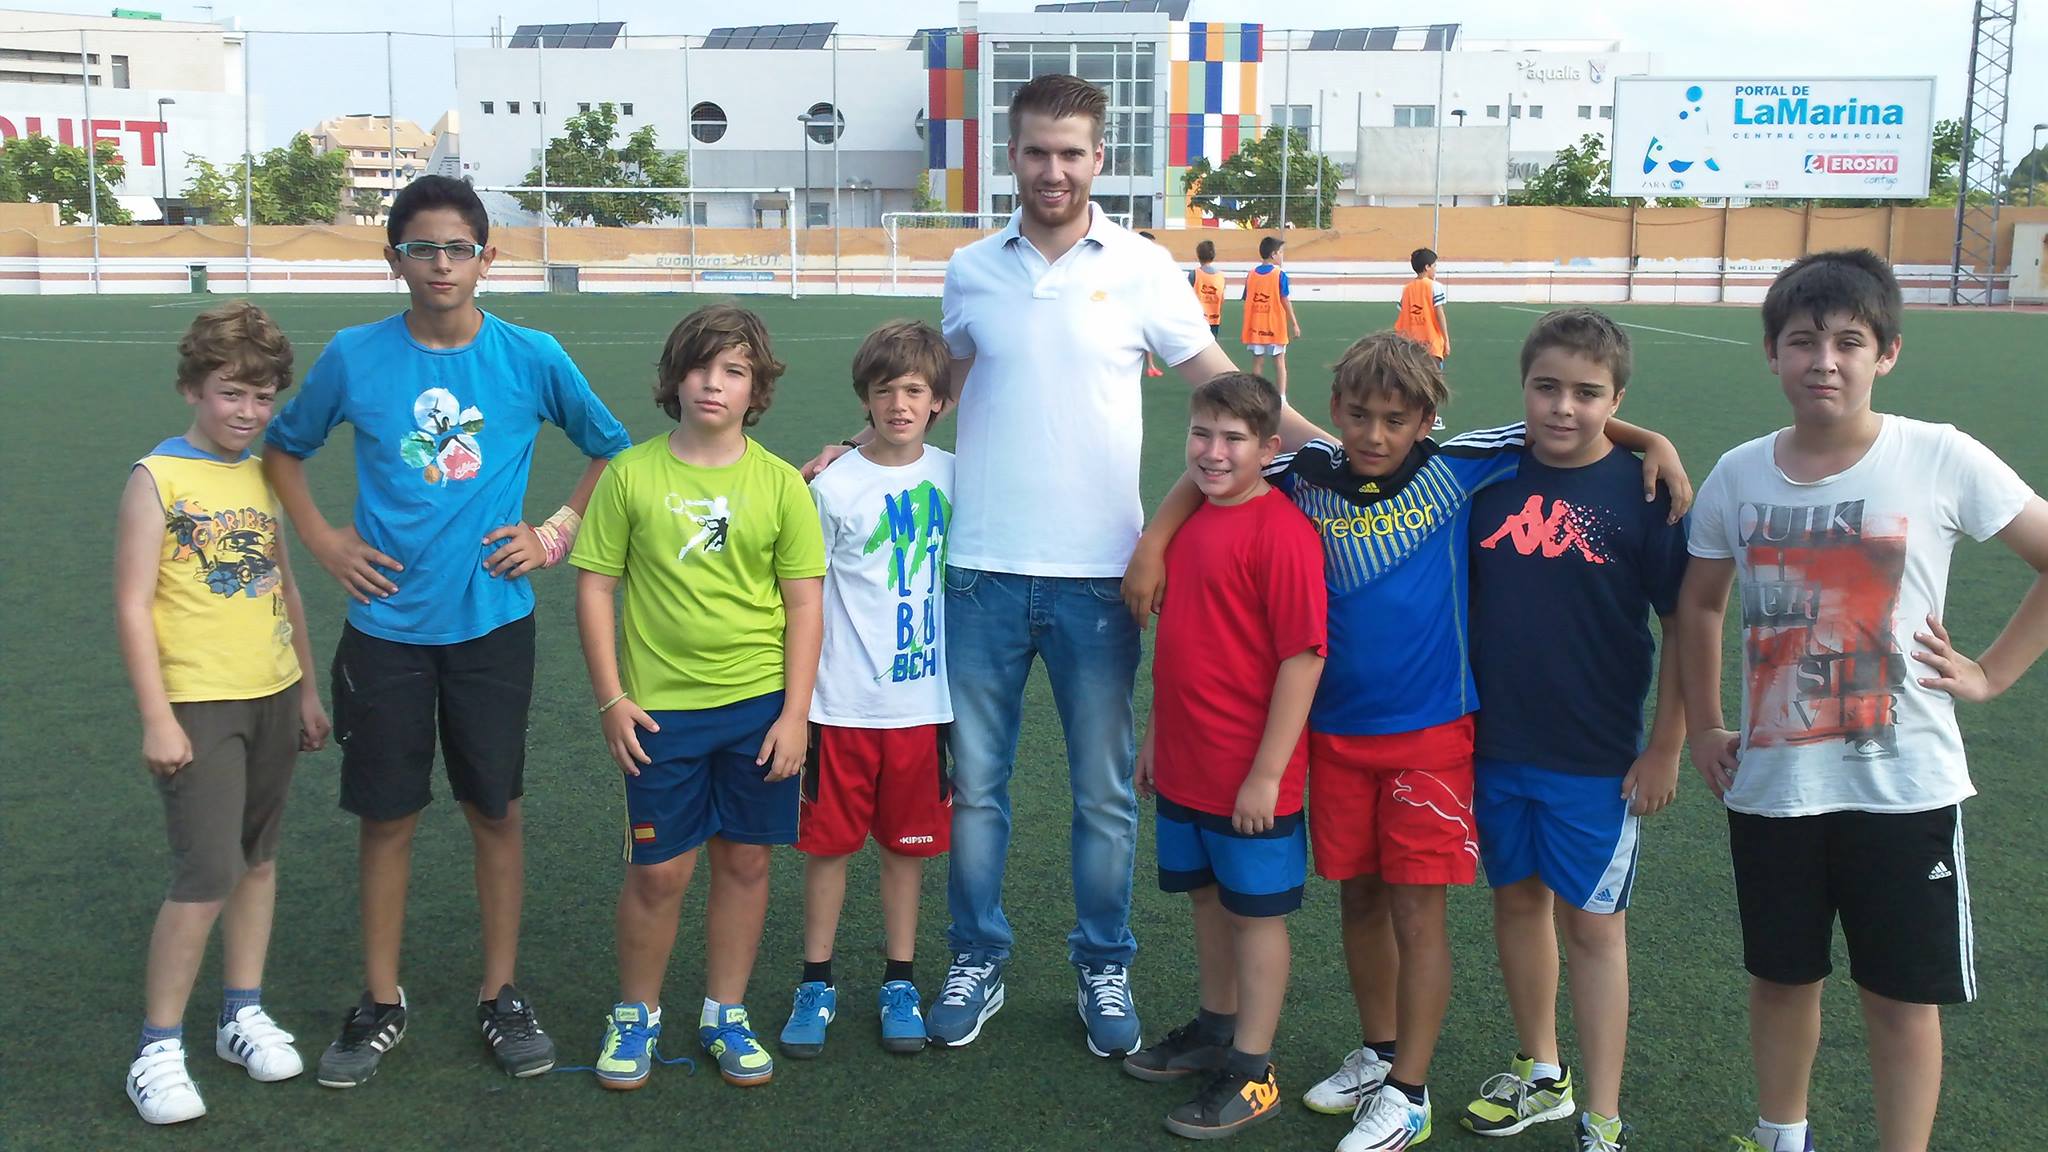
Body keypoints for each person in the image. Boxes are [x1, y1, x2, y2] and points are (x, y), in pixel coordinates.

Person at [800, 73, 1320, 1059]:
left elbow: (1225, 385)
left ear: (1099, 159)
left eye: (1071, 152)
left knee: (1104, 794)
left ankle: (1102, 963)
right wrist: (852, 448)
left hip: (1101, 580)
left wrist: (1331, 452)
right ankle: (977, 957)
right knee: (977, 790)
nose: (1053, 170)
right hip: (980, 573)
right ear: (1012, 154)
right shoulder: (971, 269)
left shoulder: (1143, 267)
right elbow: (936, 389)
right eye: (1036, 151)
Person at [1123, 334, 1689, 1152]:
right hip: (1334, 736)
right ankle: (1379, 1050)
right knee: (1359, 898)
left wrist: (1653, 439)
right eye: (1358, 415)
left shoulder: (1460, 464)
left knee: (1419, 911)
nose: (1374, 434)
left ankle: (1409, 1090)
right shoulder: (1307, 469)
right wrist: (1154, 543)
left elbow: (1567, 421)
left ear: (1427, 421)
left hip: (1431, 737)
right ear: (1335, 410)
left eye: (1395, 420)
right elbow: (1221, 465)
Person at [263, 174, 632, 1088]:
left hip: (492, 628)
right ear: (394, 259)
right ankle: (379, 998)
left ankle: (501, 993)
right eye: (421, 248)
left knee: (494, 809)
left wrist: (553, 533)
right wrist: (325, 540)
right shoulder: (355, 355)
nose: (440, 264)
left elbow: (611, 448)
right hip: (385, 629)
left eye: (457, 248)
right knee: (386, 816)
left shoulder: (531, 355)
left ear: (486, 258)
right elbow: (284, 448)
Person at [1677, 249, 2048, 1152]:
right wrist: (1706, 724)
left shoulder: (1939, 455)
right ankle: (1782, 1136)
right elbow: (1700, 604)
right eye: (1803, 341)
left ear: (1887, 353)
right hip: (1776, 787)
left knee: (1901, 998)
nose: (1825, 361)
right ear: (1772, 353)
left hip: (1904, 788)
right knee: (1781, 980)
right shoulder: (1738, 474)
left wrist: (1994, 673)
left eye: (1849, 342)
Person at [570, 303, 825, 1091]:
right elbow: (595, 587)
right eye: (700, 366)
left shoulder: (780, 484)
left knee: (745, 862)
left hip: (758, 710)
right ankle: (636, 1012)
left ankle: (726, 1012)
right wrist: (611, 699)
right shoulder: (630, 474)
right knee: (659, 873)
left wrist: (795, 715)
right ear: (674, 379)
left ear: (757, 389)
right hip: (660, 714)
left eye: (734, 370)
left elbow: (805, 603)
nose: (714, 383)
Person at [1459, 309, 1690, 1152]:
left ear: (1616, 400)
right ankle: (1542, 1073)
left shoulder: (1646, 493)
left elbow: (1685, 626)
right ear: (1522, 387)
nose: (1564, 407)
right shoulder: (1483, 473)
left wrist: (1666, 745)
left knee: (1593, 929)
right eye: (1546, 387)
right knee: (1516, 901)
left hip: (1597, 756)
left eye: (1588, 394)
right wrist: (1648, 431)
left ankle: (1603, 1115)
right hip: (1492, 745)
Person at [116, 302, 329, 1125]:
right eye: (230, 393)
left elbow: (286, 587)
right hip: (198, 704)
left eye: (262, 397)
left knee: (258, 861)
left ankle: (242, 1013)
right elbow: (133, 605)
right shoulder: (156, 478)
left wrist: (305, 690)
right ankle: (157, 1048)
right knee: (206, 874)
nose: (246, 411)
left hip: (271, 691)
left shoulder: (263, 475)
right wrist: (156, 716)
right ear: (192, 390)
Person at [1122, 372, 1326, 1140]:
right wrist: (1155, 736)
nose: (1212, 452)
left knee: (1254, 916)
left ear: (1270, 450)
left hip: (1251, 776)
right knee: (1207, 900)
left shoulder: (1282, 533)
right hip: (1187, 761)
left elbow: (1303, 658)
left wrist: (1267, 775)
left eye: (1233, 439)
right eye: (1201, 434)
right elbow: (1183, 646)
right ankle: (1215, 1027)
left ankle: (1253, 1066)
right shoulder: (1190, 524)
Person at [778, 320, 956, 1059]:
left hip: (925, 708)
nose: (899, 405)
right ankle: (815, 981)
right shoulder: (832, 486)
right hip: (841, 705)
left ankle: (899, 982)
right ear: (865, 399)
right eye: (884, 391)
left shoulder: (956, 476)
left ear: (939, 400)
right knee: (828, 849)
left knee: (905, 852)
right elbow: (804, 597)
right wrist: (799, 706)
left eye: (915, 390)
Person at [1394, 249, 1449, 430]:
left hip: (1409, 344)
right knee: (1433, 381)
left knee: (1410, 380)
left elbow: (1403, 313)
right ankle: (1431, 417)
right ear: (1427, 267)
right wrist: (1446, 340)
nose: (1435, 269)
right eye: (1434, 266)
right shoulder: (1435, 286)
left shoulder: (1407, 289)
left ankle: (1409, 415)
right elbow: (1439, 314)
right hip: (1431, 343)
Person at [1243, 236, 1301, 398]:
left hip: (1256, 327)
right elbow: (1285, 300)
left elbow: (1248, 298)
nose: (1282, 256)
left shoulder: (1251, 274)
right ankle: (1281, 397)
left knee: (1257, 361)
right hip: (1275, 327)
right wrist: (1294, 323)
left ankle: (1254, 395)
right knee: (1279, 362)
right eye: (1281, 252)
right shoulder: (1279, 274)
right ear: (1273, 254)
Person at [1190, 240, 1225, 338]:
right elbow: (1222, 299)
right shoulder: (1220, 276)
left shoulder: (1194, 274)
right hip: (1214, 319)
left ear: (1198, 255)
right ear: (1213, 255)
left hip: (1197, 320)